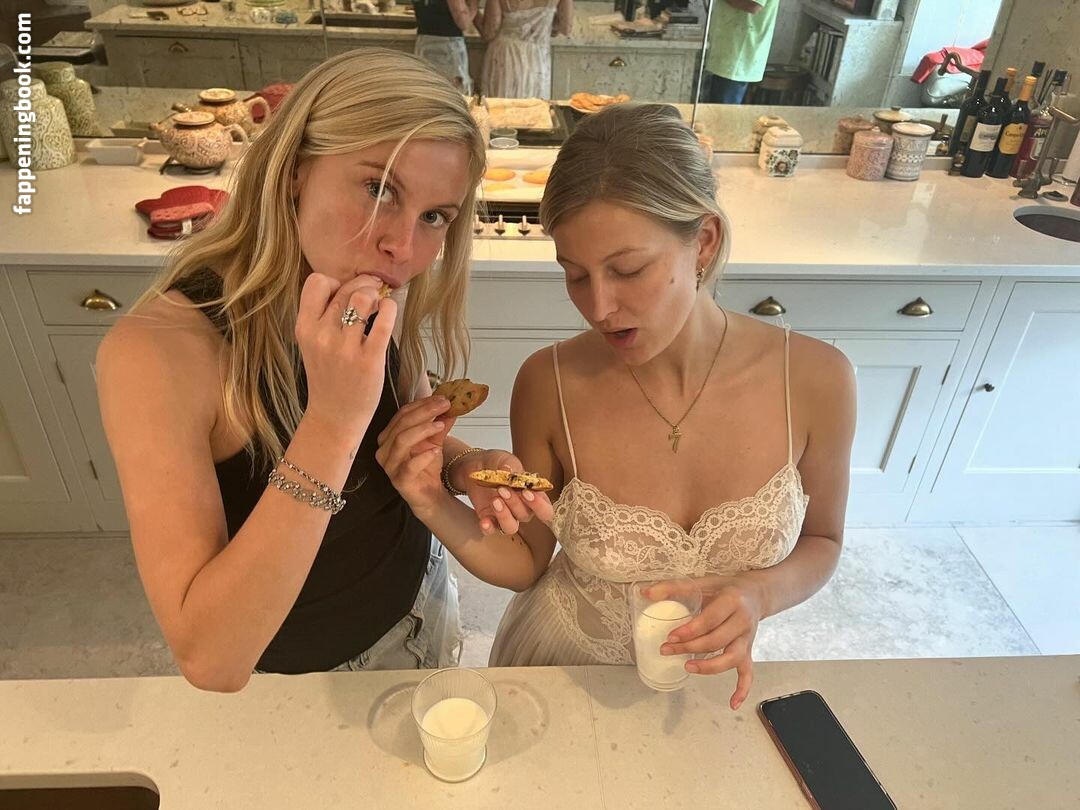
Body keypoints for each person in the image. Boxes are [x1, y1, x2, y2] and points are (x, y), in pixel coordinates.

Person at [96, 48, 544, 692]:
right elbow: (210, 658)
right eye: (378, 189)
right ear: (295, 172)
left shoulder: (365, 289)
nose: (402, 247)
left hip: (422, 603)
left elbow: (393, 441)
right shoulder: (158, 352)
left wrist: (459, 464)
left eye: (434, 217)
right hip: (306, 678)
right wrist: (333, 419)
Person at [479, 103, 854, 710]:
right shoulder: (548, 383)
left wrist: (759, 593)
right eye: (575, 275)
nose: (598, 308)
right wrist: (431, 492)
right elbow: (525, 557)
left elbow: (824, 539)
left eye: (628, 270)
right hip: (562, 672)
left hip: (711, 678)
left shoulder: (816, 379)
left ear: (703, 242)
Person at [479, 0, 574, 99]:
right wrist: (544, 23)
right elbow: (566, 28)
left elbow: (490, 31)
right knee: (535, 104)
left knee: (500, 103)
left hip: (506, 57)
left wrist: (474, 11)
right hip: (538, 57)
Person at [703, 0, 780, 104]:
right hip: (726, 50)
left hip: (738, 54)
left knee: (724, 109)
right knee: (715, 106)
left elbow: (754, 6)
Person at [413, 0, 480, 95]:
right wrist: (474, 3)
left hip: (423, 42)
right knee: (451, 95)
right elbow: (463, 21)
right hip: (447, 48)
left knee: (427, 91)